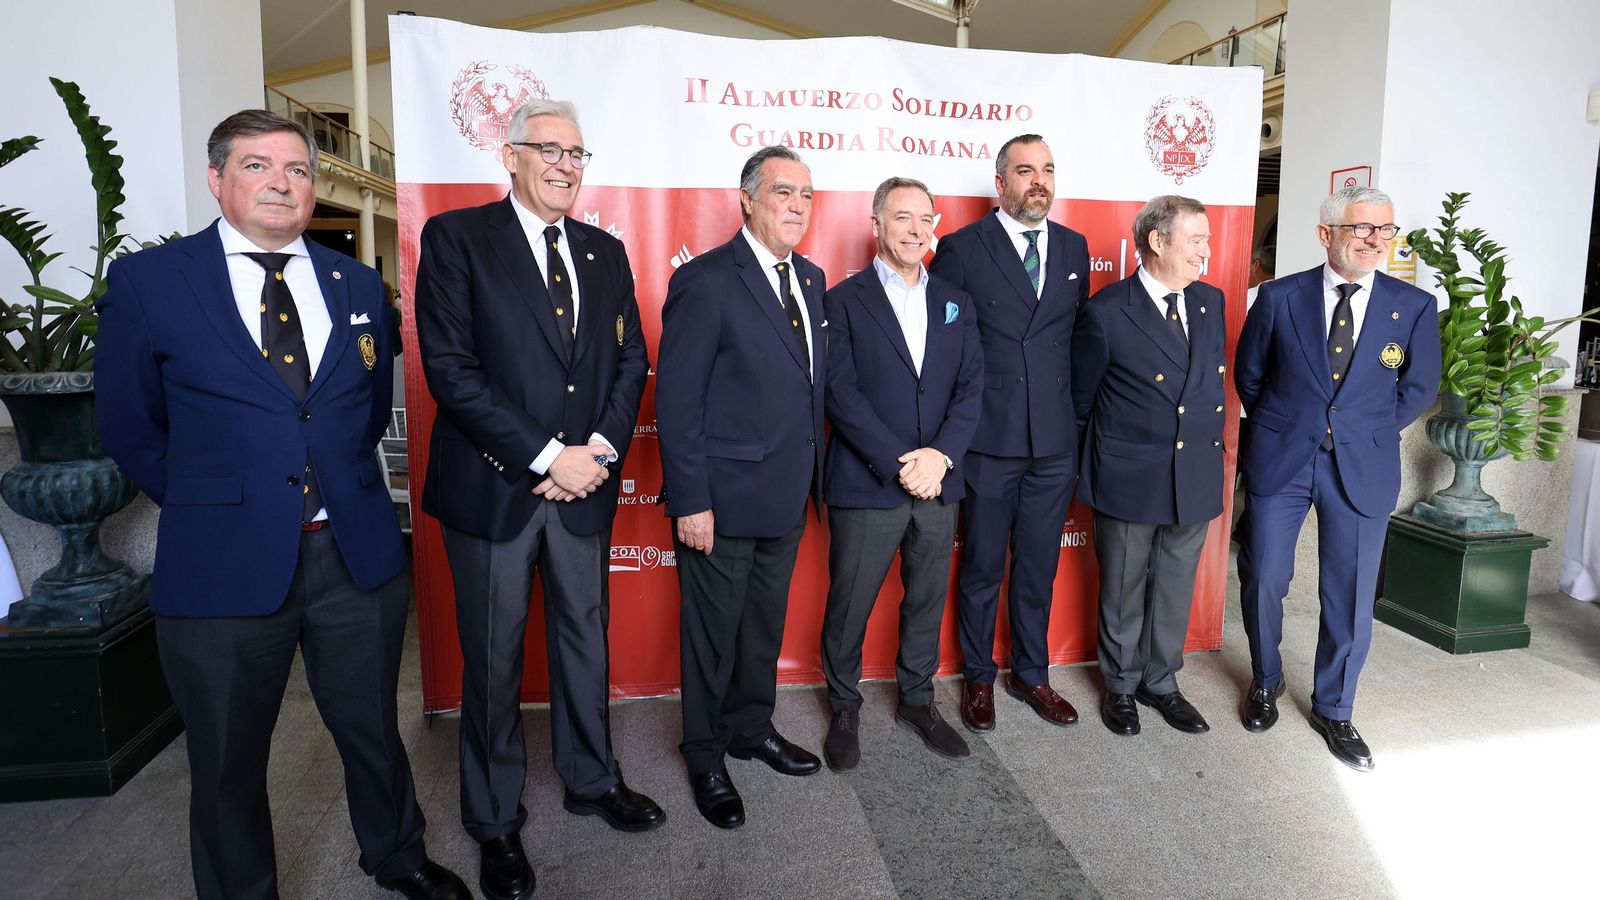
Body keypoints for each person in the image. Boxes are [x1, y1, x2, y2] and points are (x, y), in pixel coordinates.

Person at [95, 109, 468, 900]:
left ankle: (397, 855)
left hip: (353, 552)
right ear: (218, 180)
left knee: (372, 730)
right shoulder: (152, 283)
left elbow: (363, 411)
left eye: (298, 170)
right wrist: (217, 506)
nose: (282, 184)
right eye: (258, 166)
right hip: (221, 563)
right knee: (228, 754)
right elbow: (131, 425)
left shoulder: (357, 283)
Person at [413, 99, 658, 900]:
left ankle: (592, 779)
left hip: (585, 487)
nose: (565, 164)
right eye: (548, 149)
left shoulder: (603, 252)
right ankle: (493, 822)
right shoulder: (457, 240)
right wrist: (549, 455)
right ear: (510, 156)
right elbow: (450, 369)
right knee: (491, 661)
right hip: (495, 487)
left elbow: (630, 363)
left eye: (578, 153)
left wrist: (597, 454)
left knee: (586, 641)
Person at [1234, 185, 1441, 771]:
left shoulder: (1413, 306)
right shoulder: (1277, 297)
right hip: (1284, 458)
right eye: (1362, 229)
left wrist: (1362, 429)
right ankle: (1266, 681)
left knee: (1348, 596)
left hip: (1361, 464)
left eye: (1385, 230)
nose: (1376, 241)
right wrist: (1289, 423)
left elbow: (1417, 388)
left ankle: (1335, 707)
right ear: (1327, 234)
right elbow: (1251, 376)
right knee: (1263, 576)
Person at [656, 145, 827, 829]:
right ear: (748, 199)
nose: (796, 206)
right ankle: (704, 753)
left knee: (762, 628)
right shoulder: (708, 280)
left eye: (807, 195)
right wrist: (691, 499)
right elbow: (677, 399)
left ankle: (752, 729)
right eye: (783, 191)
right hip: (720, 502)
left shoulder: (810, 279)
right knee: (711, 636)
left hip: (787, 493)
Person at [818, 177, 984, 769]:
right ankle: (843, 704)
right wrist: (900, 464)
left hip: (940, 483)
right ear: (877, 225)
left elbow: (971, 390)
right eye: (902, 218)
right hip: (868, 483)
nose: (915, 230)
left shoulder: (956, 302)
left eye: (924, 219)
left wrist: (939, 457)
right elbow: (840, 393)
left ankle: (918, 700)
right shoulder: (841, 299)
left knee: (925, 599)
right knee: (851, 602)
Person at [928, 133, 1091, 732]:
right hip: (988, 440)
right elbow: (945, 351)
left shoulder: (1074, 247)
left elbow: (1076, 347)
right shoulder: (962, 248)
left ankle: (1032, 674)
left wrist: (1071, 430)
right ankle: (977, 676)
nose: (1038, 181)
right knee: (982, 566)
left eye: (1047, 169)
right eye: (1025, 171)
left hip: (1052, 444)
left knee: (1039, 566)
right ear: (1001, 184)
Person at [1071, 195, 1227, 737]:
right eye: (1197, 240)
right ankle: (1119, 686)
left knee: (1175, 584)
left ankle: (1161, 682)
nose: (1207, 251)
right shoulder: (1108, 310)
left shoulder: (1211, 301)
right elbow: (1082, 402)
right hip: (1128, 474)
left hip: (1194, 474)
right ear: (1158, 242)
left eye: (1207, 239)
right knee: (1122, 586)